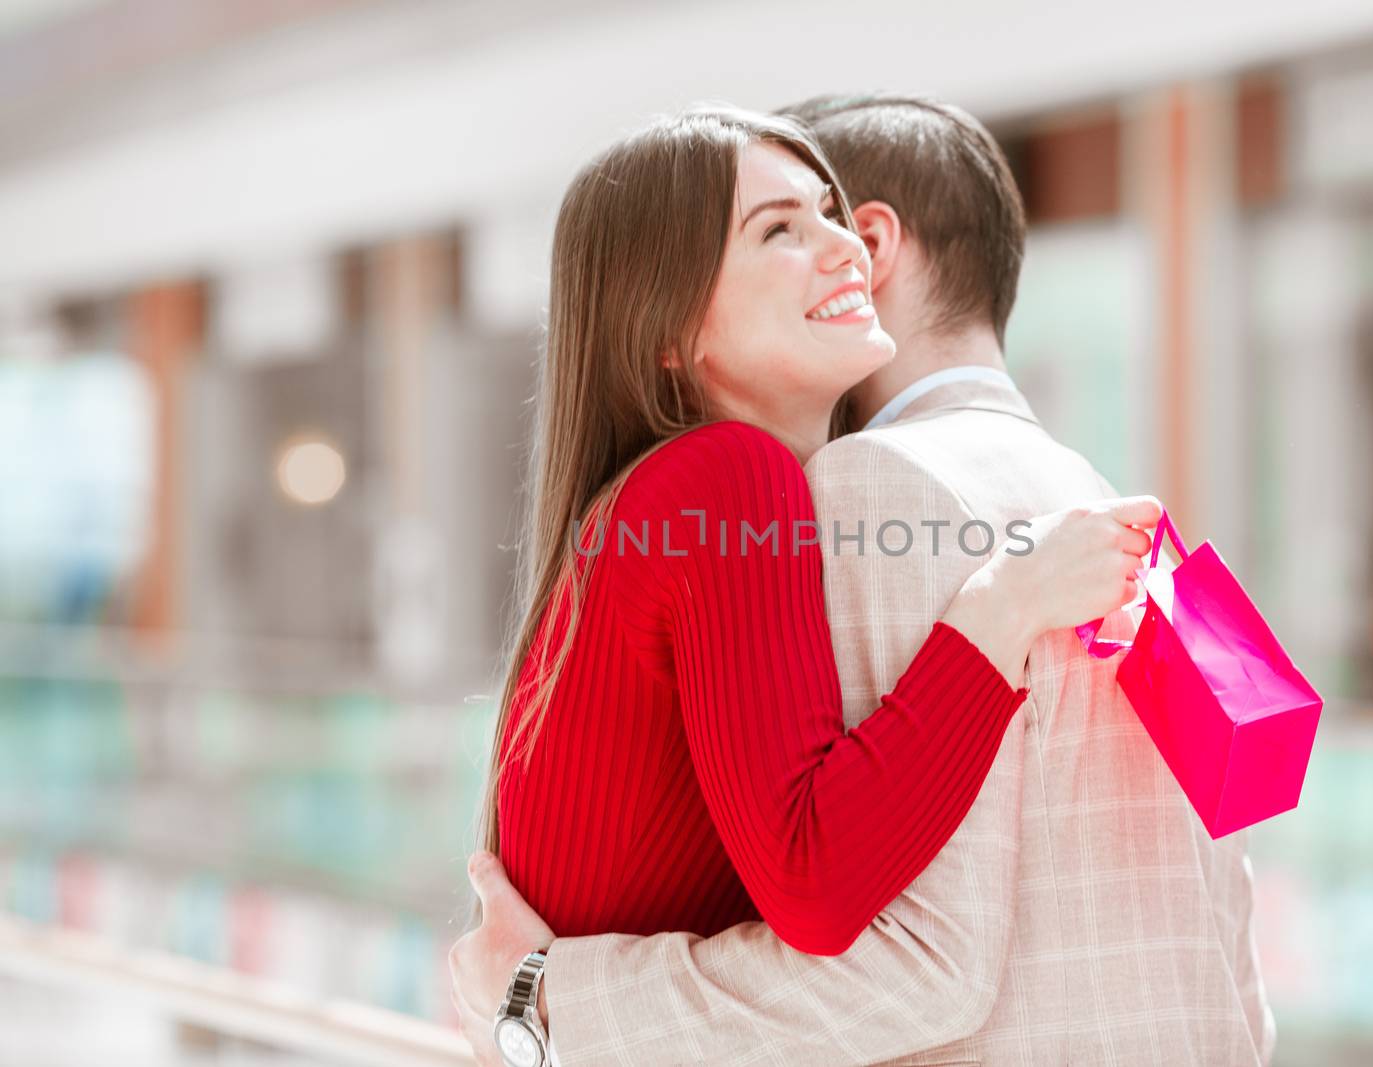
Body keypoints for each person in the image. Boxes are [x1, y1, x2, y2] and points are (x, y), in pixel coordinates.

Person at [453, 94, 1276, 1067]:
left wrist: (540, 1001)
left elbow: (902, 950)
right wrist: (997, 609)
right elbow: (1231, 946)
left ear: (880, 242)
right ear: (665, 322)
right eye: (781, 230)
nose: (838, 246)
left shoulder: (859, 487)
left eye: (832, 215)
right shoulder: (1112, 514)